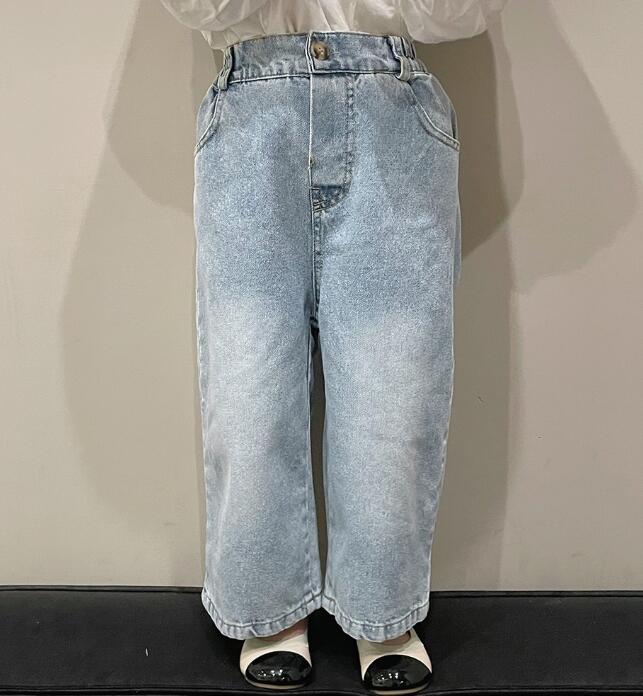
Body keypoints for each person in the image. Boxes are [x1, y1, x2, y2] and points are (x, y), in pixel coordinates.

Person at [160, 1, 506, 693]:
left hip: (392, 109)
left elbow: (460, 13)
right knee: (248, 393)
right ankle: (270, 610)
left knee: (393, 396)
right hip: (252, 119)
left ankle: (382, 612)